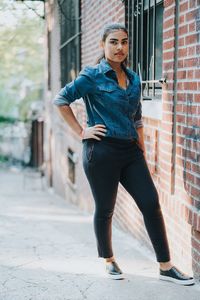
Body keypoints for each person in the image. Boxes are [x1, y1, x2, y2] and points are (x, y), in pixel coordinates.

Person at [53, 23, 195, 285]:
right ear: (103, 45)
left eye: (124, 42)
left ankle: (166, 266)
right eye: (114, 42)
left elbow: (137, 117)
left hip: (130, 152)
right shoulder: (91, 76)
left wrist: (142, 149)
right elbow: (61, 100)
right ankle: (108, 260)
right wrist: (81, 131)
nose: (120, 47)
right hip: (101, 151)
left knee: (151, 203)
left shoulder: (134, 79)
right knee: (105, 208)